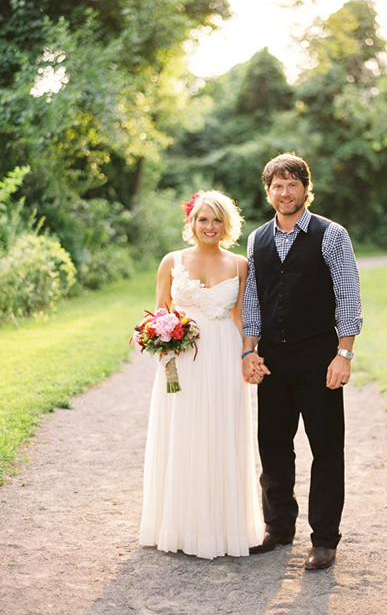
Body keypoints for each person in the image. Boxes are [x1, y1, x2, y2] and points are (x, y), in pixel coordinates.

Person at [241, 153, 362, 571]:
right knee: (273, 446)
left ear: (305, 189)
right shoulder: (257, 239)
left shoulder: (331, 234)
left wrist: (343, 354)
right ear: (268, 191)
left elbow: (348, 296)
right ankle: (279, 528)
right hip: (273, 357)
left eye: (293, 184)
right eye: (277, 185)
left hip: (318, 356)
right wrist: (249, 349)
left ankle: (325, 539)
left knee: (326, 448)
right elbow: (253, 301)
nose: (285, 192)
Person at [140, 190, 264, 559]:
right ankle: (179, 524)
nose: (209, 226)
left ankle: (223, 529)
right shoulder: (171, 261)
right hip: (183, 358)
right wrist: (161, 343)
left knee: (221, 431)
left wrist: (248, 354)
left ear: (228, 225)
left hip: (225, 356)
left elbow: (242, 316)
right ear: (191, 223)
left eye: (216, 220)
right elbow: (159, 313)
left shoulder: (240, 265)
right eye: (202, 219)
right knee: (183, 431)